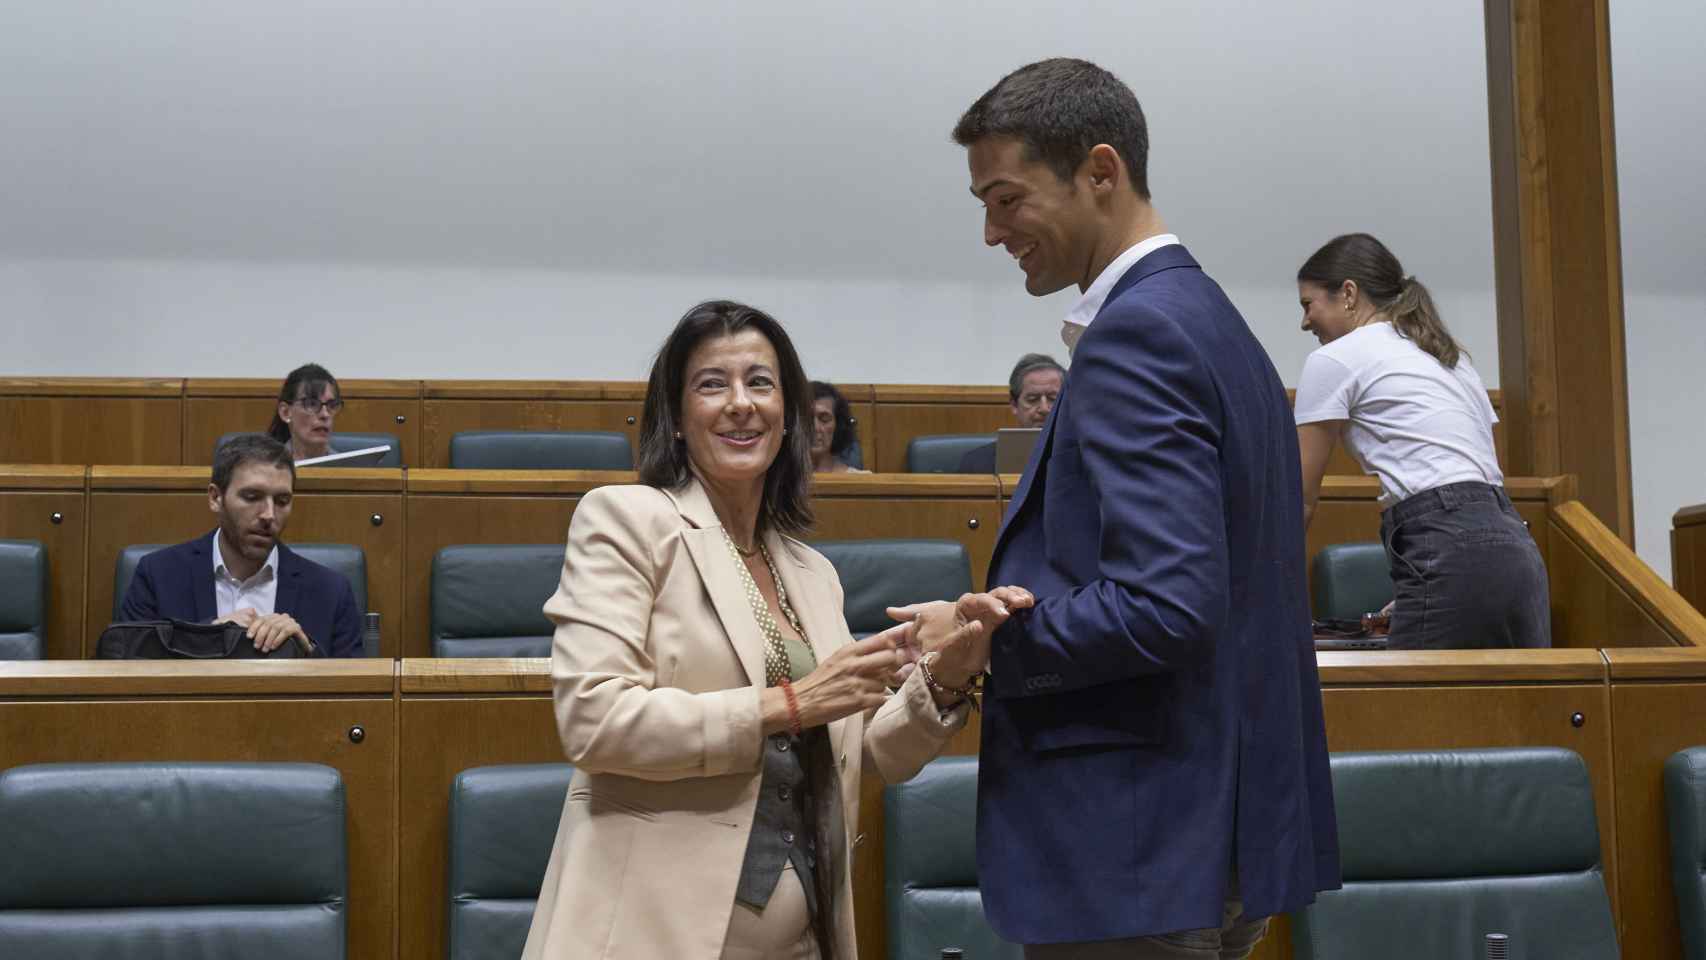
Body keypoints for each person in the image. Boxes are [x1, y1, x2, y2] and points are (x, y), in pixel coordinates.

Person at [904, 57, 1340, 958]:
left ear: (1101, 172)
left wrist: (984, 639)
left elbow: (1167, 603)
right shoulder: (1213, 321)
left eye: (1006, 199)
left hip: (1139, 845)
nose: (992, 232)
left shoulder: (1139, 333)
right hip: (1208, 829)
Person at [520, 300, 1026, 959]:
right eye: (711, 384)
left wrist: (951, 672)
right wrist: (788, 704)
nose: (740, 403)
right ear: (675, 420)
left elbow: (867, 753)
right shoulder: (626, 521)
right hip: (655, 935)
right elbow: (594, 721)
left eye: (760, 383)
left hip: (806, 936)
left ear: (788, 416)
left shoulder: (811, 572)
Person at [1293, 233, 1549, 649]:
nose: (1305, 321)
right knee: (1517, 710)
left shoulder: (1333, 359)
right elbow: (1476, 476)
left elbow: (1299, 499)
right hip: (1515, 546)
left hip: (1448, 547)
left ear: (1348, 294)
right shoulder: (1450, 356)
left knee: (1414, 712)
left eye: (1308, 304)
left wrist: (1260, 584)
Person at [118, 434, 363, 657]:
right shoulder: (159, 574)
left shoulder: (330, 591)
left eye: (282, 500)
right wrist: (208, 636)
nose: (269, 514)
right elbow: (123, 671)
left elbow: (359, 697)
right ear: (215, 498)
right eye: (252, 497)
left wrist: (306, 653)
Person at [957, 353, 1066, 472]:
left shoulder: (1085, 458)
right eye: (1032, 399)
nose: (1044, 409)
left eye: (1053, 399)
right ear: (1014, 404)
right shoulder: (977, 463)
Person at [267, 363, 344, 461]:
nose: (325, 414)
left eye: (331, 405)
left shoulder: (351, 470)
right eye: (311, 404)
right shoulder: (265, 469)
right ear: (285, 412)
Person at [808, 381, 869, 474]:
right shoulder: (779, 480)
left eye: (824, 419)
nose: (816, 428)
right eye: (807, 418)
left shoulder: (860, 480)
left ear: (838, 426)